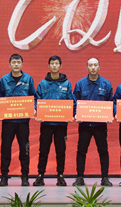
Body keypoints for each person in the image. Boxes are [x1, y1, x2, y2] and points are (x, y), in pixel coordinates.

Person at [33, 55, 73, 187]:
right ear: (49, 66)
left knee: (61, 151)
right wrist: (37, 112)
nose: (54, 66)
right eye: (52, 63)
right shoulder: (42, 84)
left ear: (60, 66)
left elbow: (70, 101)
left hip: (61, 124)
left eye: (56, 63)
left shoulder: (67, 84)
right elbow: (37, 100)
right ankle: (40, 175)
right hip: (46, 124)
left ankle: (60, 175)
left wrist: (71, 114)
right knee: (43, 151)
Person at [73, 57, 114, 187]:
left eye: (95, 65)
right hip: (84, 124)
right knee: (81, 151)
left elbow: (110, 103)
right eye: (90, 65)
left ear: (99, 67)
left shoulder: (106, 84)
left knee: (103, 151)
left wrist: (110, 115)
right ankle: (79, 177)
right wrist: (76, 114)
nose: (93, 67)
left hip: (100, 125)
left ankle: (105, 178)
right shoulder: (80, 84)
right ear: (87, 67)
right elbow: (75, 102)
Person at [0, 53, 35, 187]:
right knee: (5, 149)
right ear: (9, 64)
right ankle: (4, 176)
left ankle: (25, 176)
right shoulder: (4, 80)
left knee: (24, 150)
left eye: (18, 62)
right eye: (14, 62)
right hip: (8, 122)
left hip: (23, 122)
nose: (16, 64)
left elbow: (33, 97)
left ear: (22, 64)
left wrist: (34, 108)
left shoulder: (28, 79)